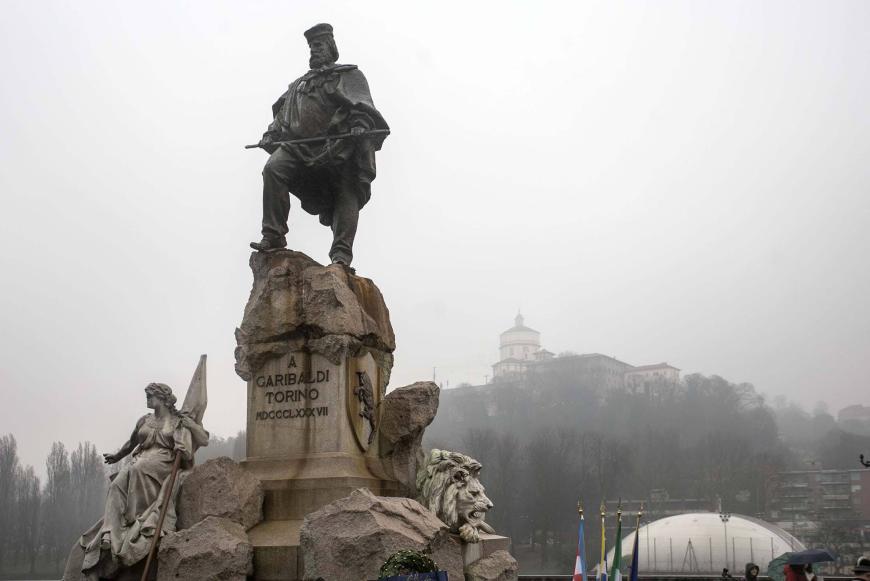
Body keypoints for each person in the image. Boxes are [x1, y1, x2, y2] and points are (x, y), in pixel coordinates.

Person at [250, 23, 389, 268]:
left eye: (319, 46)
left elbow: (362, 107)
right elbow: (283, 115)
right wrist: (271, 134)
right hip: (299, 146)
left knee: (347, 191)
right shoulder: (298, 85)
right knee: (273, 169)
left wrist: (359, 124)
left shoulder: (349, 75)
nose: (314, 51)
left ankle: (341, 255)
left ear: (331, 48)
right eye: (311, 47)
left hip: (339, 147)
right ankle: (273, 235)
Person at [76, 383, 209, 578]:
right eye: (146, 395)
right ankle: (109, 533)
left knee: (138, 469)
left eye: (150, 395)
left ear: (162, 398)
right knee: (116, 484)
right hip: (140, 459)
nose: (147, 399)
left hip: (164, 462)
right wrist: (117, 456)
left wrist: (189, 429)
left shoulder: (177, 421)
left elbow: (202, 440)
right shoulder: (144, 421)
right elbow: (131, 443)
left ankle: (136, 520)